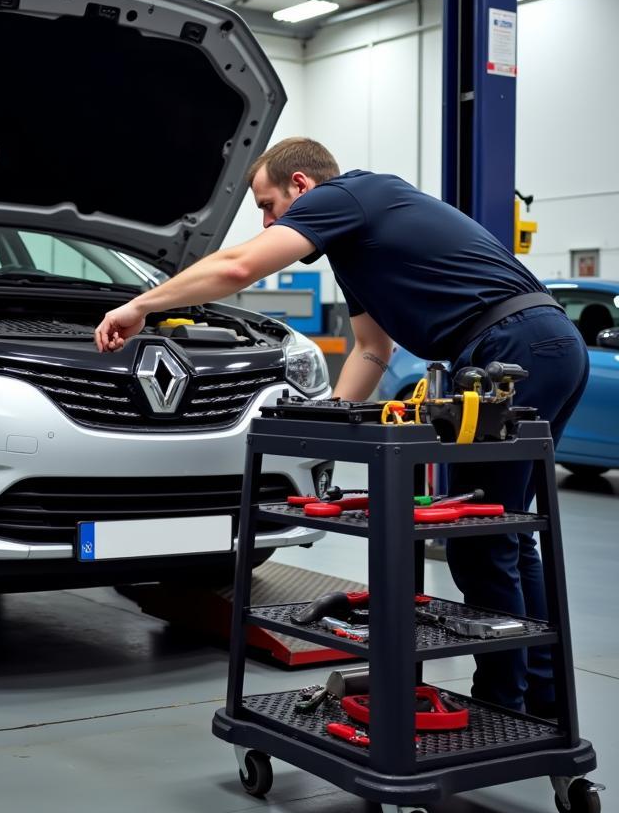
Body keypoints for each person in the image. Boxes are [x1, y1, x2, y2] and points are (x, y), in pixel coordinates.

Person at [95, 137, 588, 717]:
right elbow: (372, 350)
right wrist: (322, 421)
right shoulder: (355, 246)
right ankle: (542, 697)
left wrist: (142, 306)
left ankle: (505, 703)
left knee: (481, 540)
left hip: (508, 349)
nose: (266, 218)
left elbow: (239, 265)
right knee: (504, 529)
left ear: (302, 187)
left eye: (267, 204)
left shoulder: (349, 195)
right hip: (543, 346)